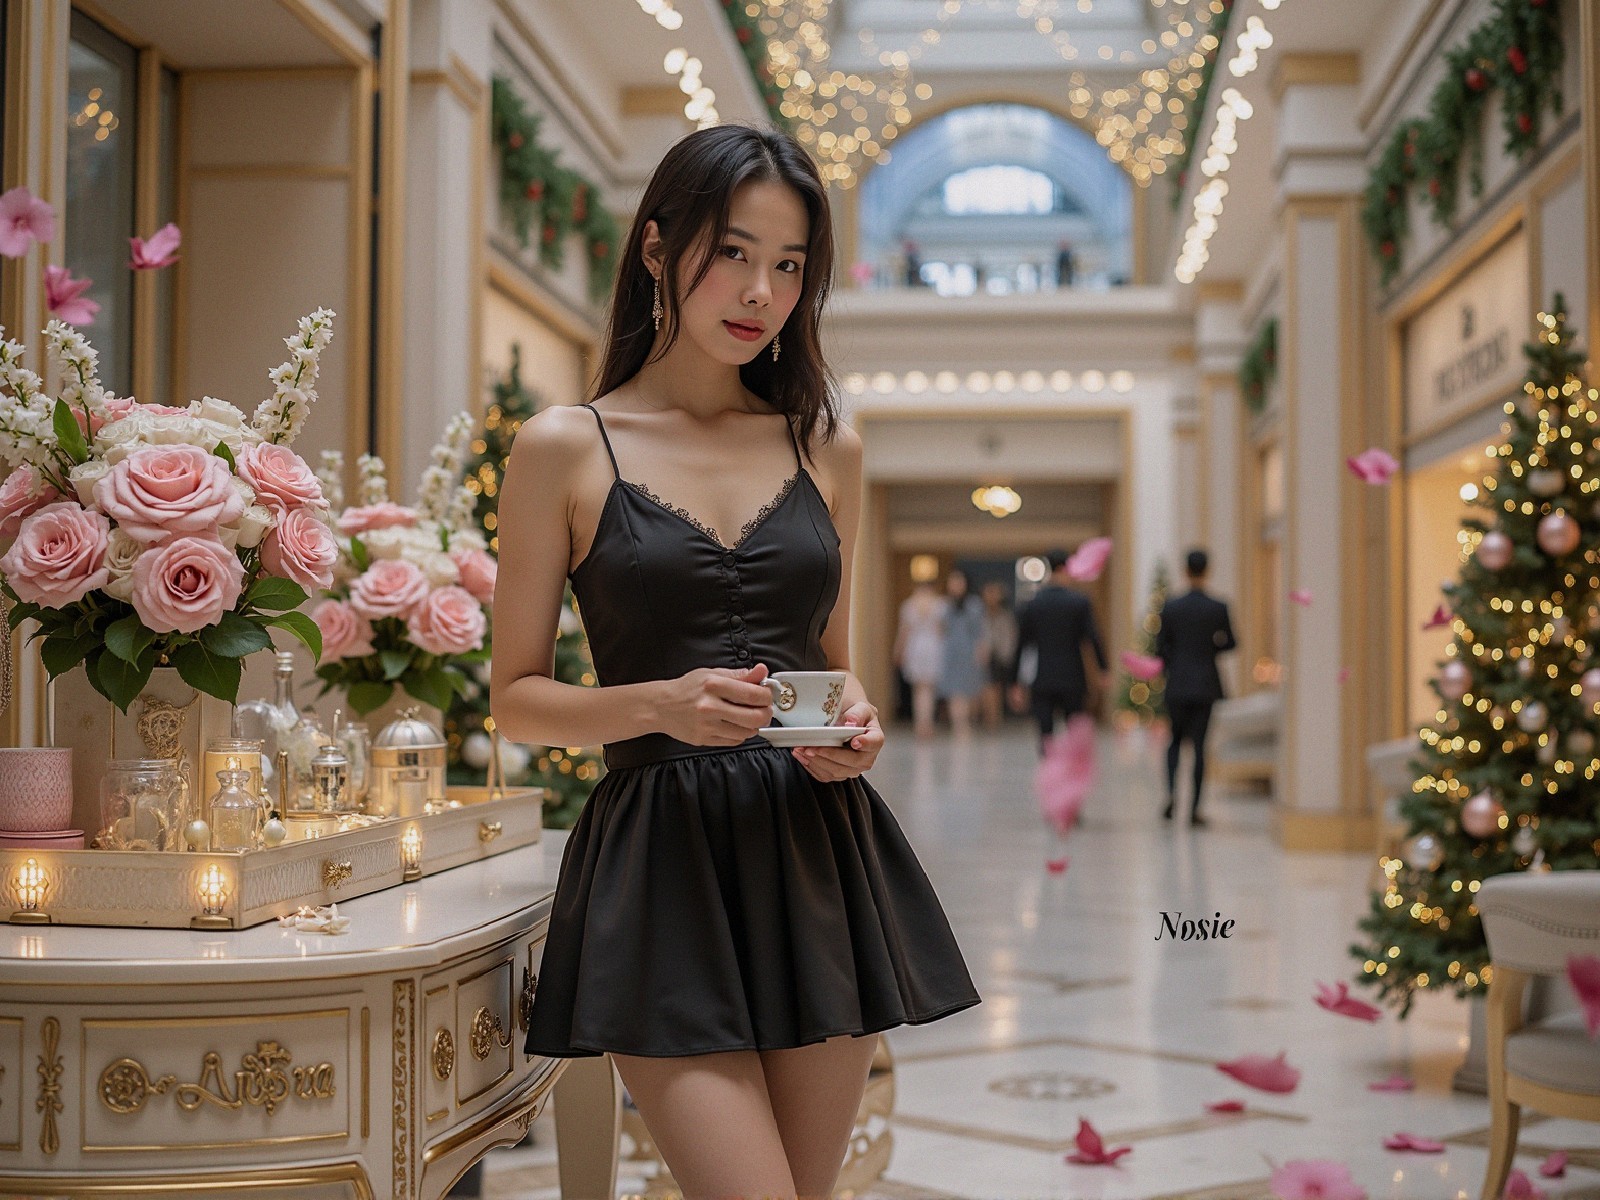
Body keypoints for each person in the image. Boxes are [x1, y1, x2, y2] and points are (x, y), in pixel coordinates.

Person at [491, 123, 980, 1200]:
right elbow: (514, 700)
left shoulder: (825, 444)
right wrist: (658, 704)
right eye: (735, 251)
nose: (761, 290)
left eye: (791, 264)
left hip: (813, 856)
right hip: (660, 867)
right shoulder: (566, 446)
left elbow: (834, 667)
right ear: (659, 247)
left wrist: (855, 729)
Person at [1155, 547, 1237, 826]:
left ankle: (1171, 795)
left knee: (1174, 742)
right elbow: (1231, 642)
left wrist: (1174, 661)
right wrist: (1210, 646)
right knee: (1200, 747)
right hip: (1205, 684)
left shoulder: (1171, 607)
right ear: (1207, 570)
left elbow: (1160, 648)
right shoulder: (1218, 607)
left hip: (1177, 683)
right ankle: (1194, 810)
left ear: (1185, 570)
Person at [1009, 547, 1110, 757]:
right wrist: (1103, 669)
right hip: (1072, 676)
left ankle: (1050, 775)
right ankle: (1070, 778)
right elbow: (1092, 638)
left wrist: (1015, 682)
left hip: (1042, 676)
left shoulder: (1033, 605)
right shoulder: (1079, 603)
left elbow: (1021, 644)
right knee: (1074, 731)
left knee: (1045, 734)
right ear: (1066, 568)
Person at [937, 568, 987, 736]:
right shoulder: (945, 605)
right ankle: (959, 725)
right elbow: (941, 629)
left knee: (969, 689)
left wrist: (981, 651)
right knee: (954, 691)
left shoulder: (974, 604)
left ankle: (968, 721)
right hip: (951, 651)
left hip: (969, 651)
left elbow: (979, 631)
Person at [894, 578, 945, 740]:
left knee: (919, 690)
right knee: (928, 689)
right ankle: (927, 724)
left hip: (915, 647)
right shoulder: (939, 605)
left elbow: (904, 632)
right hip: (933, 647)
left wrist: (898, 651)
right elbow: (941, 631)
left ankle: (921, 725)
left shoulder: (910, 605)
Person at [978, 580, 1018, 729]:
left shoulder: (1006, 616)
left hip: (1001, 656)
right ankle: (987, 717)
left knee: (996, 687)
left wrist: (1008, 655)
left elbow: (1011, 637)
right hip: (983, 656)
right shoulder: (979, 615)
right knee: (985, 687)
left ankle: (994, 719)